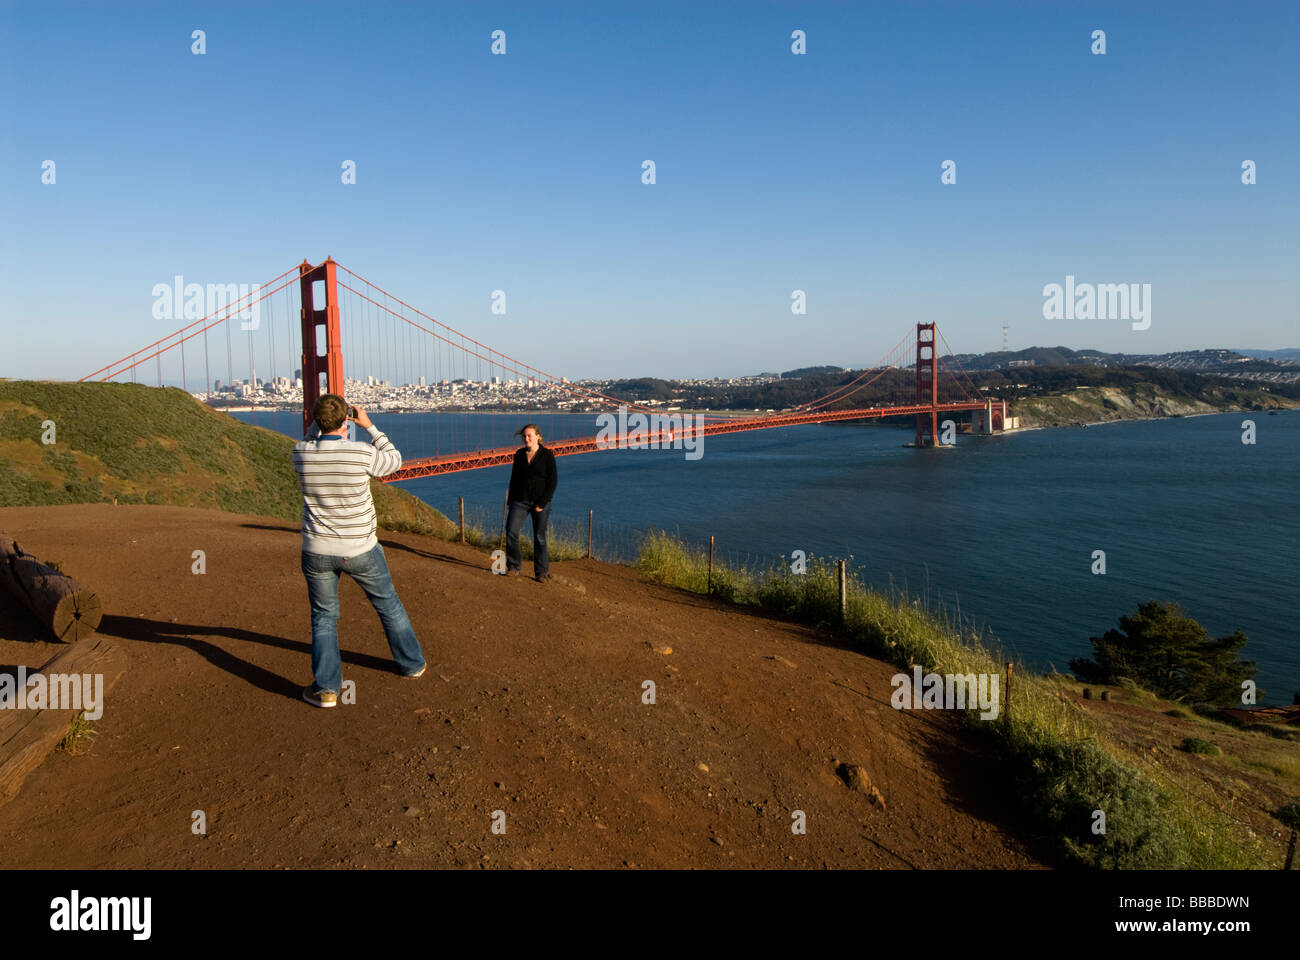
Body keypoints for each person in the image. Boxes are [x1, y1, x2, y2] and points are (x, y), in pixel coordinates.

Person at [291, 394, 426, 708]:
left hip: (317, 550)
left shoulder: (300, 453)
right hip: (361, 549)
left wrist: (318, 424)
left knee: (324, 618)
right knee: (388, 606)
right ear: (345, 422)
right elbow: (394, 460)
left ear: (315, 421)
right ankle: (411, 664)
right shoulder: (361, 453)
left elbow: (310, 439)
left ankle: (326, 690)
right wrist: (369, 425)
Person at [504, 423, 557, 582]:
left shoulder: (547, 455)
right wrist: (511, 500)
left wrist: (542, 503)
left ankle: (541, 573)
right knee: (511, 532)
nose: (526, 439)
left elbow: (553, 481)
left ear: (538, 437)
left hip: (540, 502)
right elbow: (514, 479)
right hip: (520, 501)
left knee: (539, 537)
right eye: (524, 436)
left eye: (529, 436)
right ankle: (514, 567)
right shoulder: (519, 454)